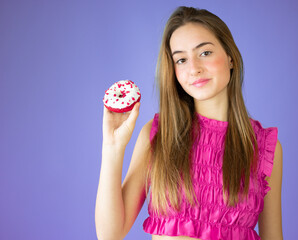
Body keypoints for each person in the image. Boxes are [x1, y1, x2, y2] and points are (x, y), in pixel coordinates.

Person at [95, 6, 283, 240]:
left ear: (231, 57)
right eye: (181, 59)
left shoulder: (264, 146)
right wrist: (112, 147)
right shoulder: (159, 134)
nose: (194, 68)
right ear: (173, 71)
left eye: (204, 53)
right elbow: (109, 234)